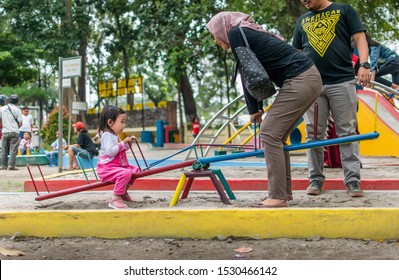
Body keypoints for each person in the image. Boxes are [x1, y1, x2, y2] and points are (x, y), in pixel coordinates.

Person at [206, 11, 322, 207]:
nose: (215, 40)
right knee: (276, 136)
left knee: (268, 133)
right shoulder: (244, 33)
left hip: (300, 79)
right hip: (309, 78)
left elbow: (247, 72)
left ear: (221, 28)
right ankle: (282, 193)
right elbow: (252, 70)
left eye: (213, 34)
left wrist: (254, 109)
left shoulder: (236, 33)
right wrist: (256, 108)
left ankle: (277, 196)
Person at [292, 0, 371, 197]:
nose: (303, 1)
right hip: (313, 85)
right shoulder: (302, 20)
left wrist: (365, 65)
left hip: (342, 81)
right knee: (314, 133)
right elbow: (297, 52)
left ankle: (353, 180)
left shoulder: (344, 10)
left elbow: (360, 37)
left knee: (348, 132)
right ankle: (315, 179)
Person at [96, 105, 140, 209]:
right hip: (106, 168)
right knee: (125, 173)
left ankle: (123, 192)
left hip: (116, 166)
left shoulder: (114, 135)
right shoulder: (107, 135)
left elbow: (119, 149)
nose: (124, 125)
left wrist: (128, 144)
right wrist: (124, 142)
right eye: (122, 122)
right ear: (110, 122)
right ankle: (115, 198)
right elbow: (111, 152)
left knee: (136, 171)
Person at [0, 94, 22, 170]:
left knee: (4, 149)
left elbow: (0, 120)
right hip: (15, 132)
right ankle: (11, 166)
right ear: (17, 101)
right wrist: (15, 128)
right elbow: (20, 123)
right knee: (13, 150)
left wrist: (3, 127)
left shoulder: (2, 109)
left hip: (5, 131)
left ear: (9, 100)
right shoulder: (18, 110)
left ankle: (3, 166)